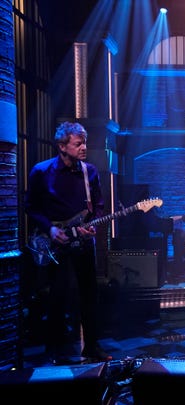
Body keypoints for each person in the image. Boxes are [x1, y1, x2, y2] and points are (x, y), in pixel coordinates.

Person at [24, 121, 111, 364]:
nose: (84, 147)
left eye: (85, 142)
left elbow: (99, 204)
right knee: (58, 296)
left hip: (82, 242)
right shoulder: (41, 171)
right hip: (56, 242)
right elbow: (31, 207)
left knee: (89, 295)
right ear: (62, 146)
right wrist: (50, 229)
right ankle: (56, 349)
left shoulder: (89, 171)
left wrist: (92, 223)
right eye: (78, 143)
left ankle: (92, 346)